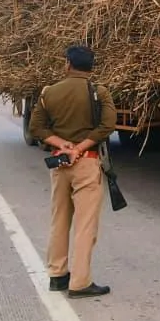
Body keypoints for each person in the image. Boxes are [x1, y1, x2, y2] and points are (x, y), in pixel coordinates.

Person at [28, 45, 116, 299]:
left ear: (68, 64)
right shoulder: (99, 92)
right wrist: (80, 147)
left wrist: (62, 145)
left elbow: (37, 127)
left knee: (59, 220)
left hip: (60, 163)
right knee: (85, 225)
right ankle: (80, 282)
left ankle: (57, 275)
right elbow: (107, 126)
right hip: (87, 163)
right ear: (92, 67)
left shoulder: (49, 93)